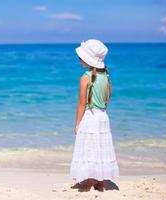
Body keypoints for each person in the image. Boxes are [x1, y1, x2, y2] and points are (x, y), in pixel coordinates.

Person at [70, 39, 119, 192]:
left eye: (81, 57)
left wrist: (77, 123)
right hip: (103, 116)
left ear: (88, 59)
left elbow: (82, 103)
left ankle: (90, 181)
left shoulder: (85, 77)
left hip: (90, 117)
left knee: (90, 148)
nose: (79, 59)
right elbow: (108, 96)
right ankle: (102, 182)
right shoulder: (106, 76)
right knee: (102, 147)